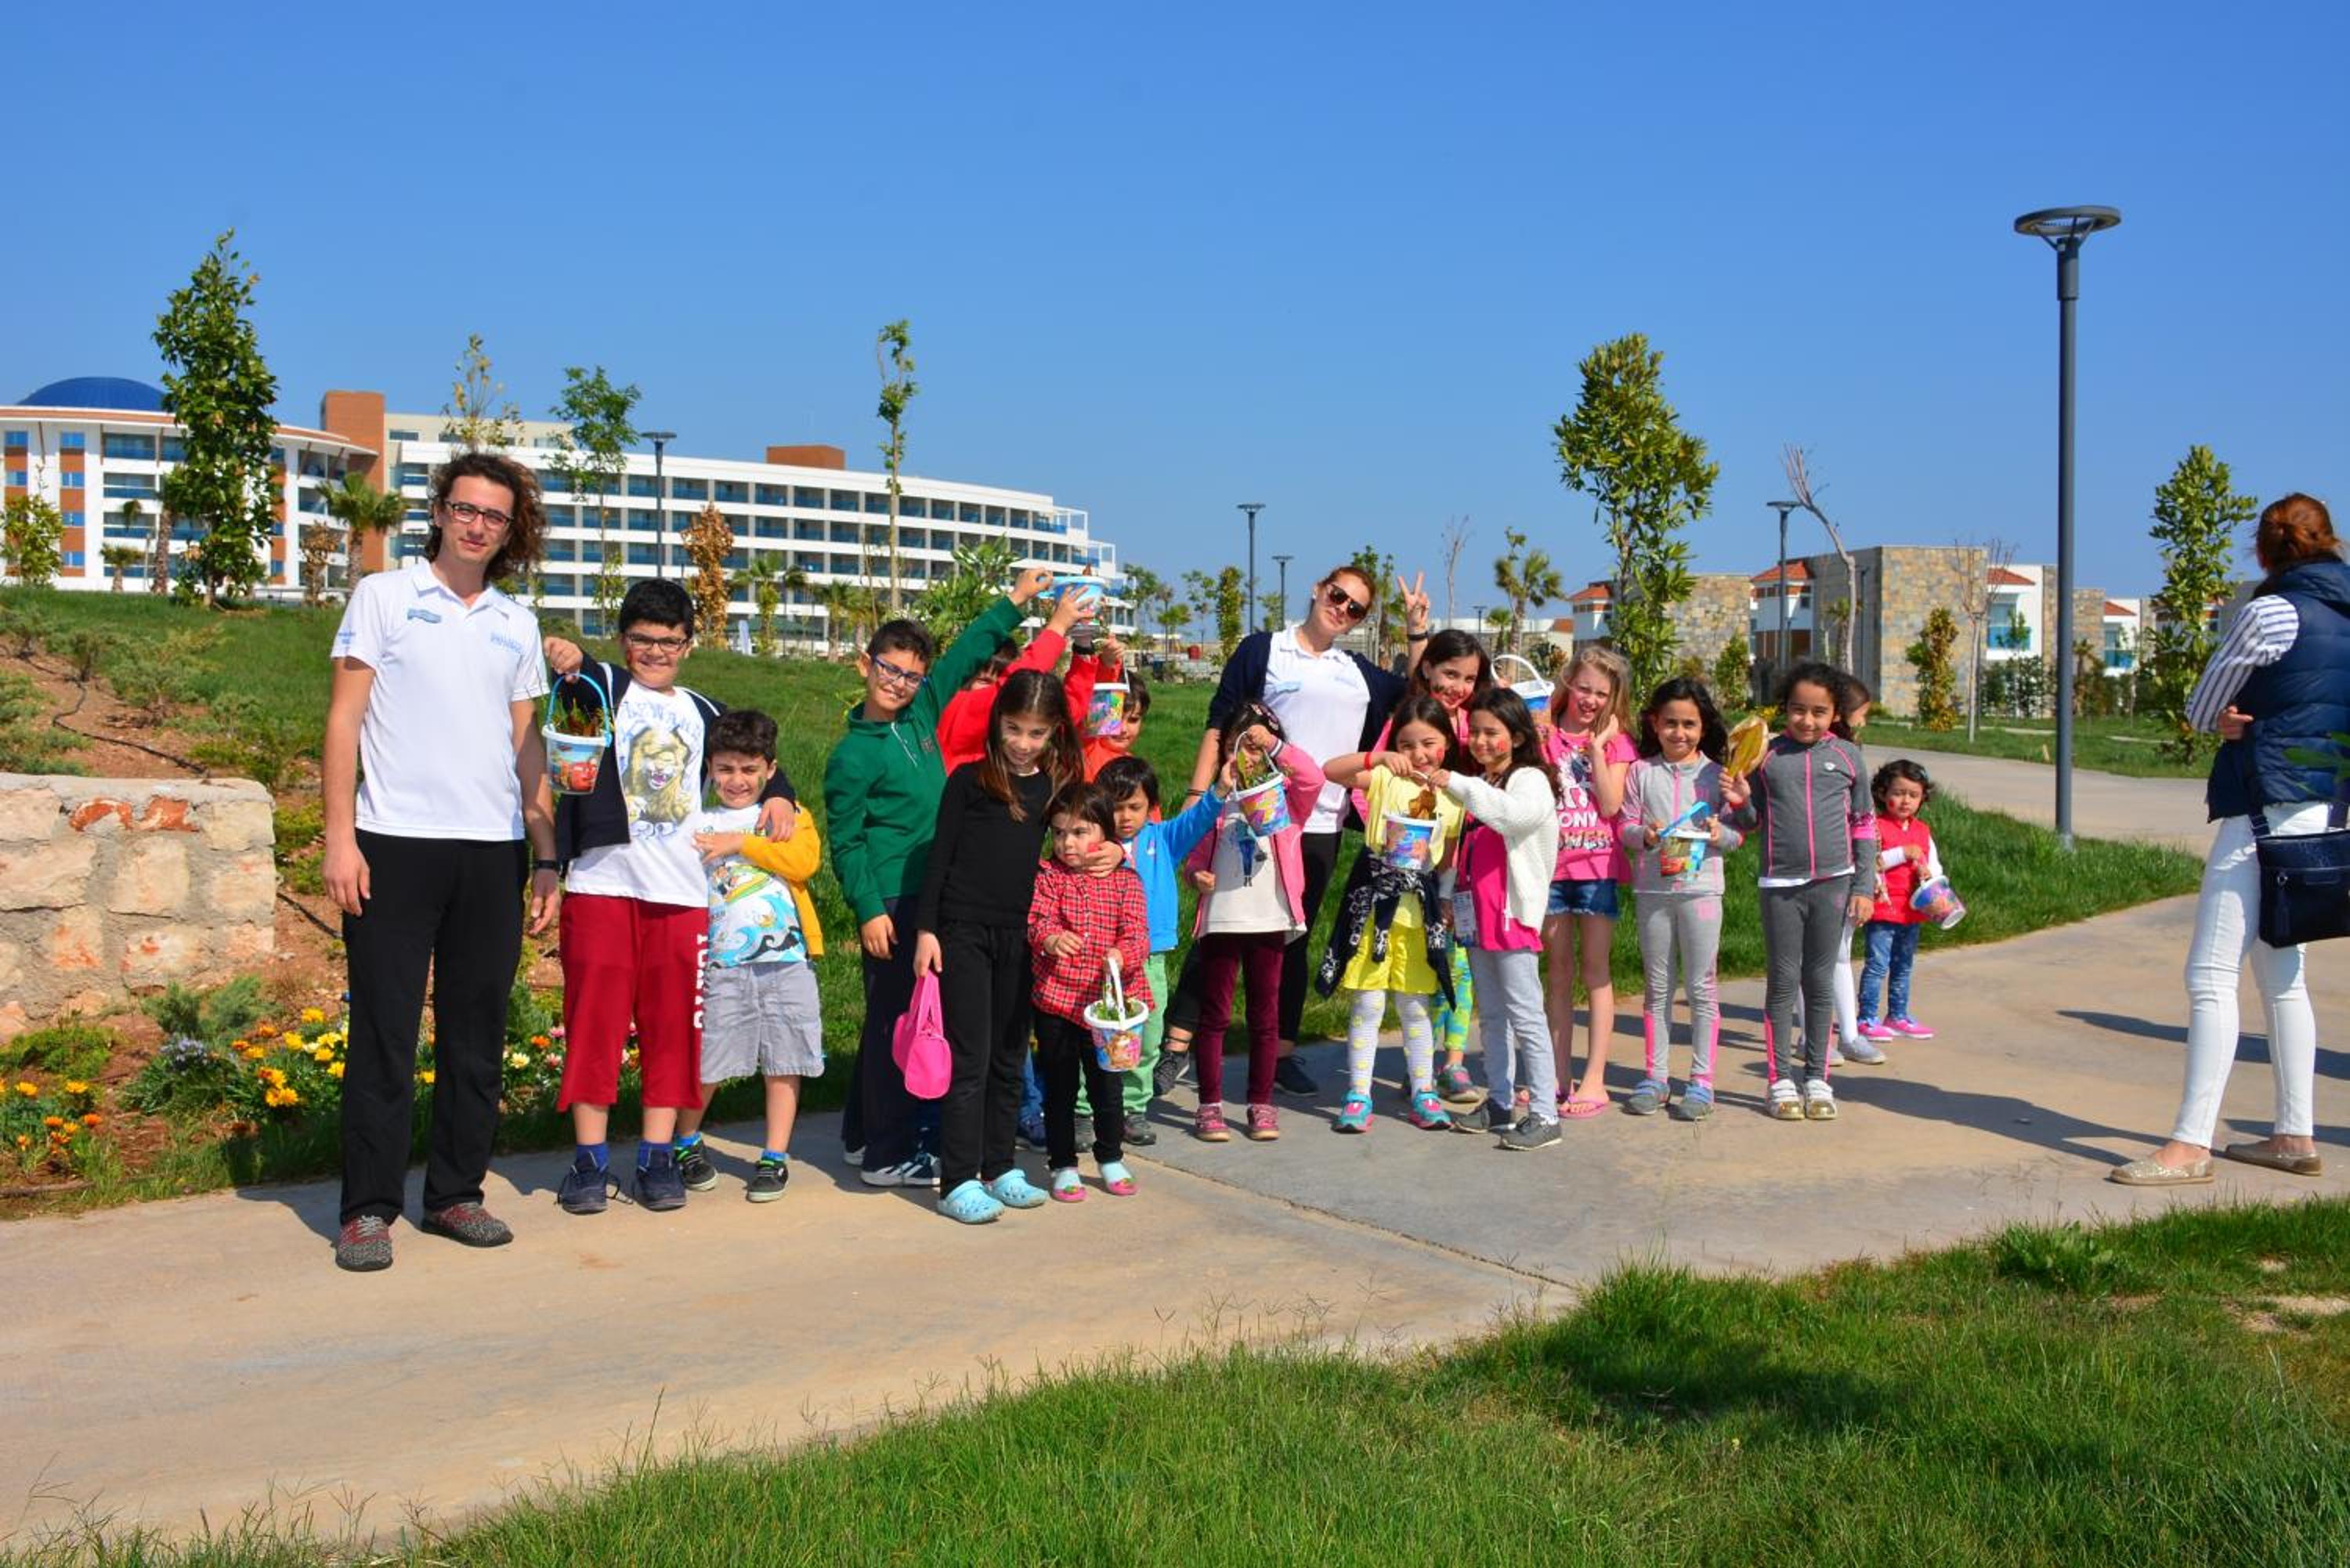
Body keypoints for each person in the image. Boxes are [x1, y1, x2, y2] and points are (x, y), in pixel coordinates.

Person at [323, 450, 557, 1272]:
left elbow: (528, 745)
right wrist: (340, 835)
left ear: (510, 529)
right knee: (384, 1033)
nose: (477, 525)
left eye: (494, 515)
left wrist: (546, 856)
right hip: (393, 843)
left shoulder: (516, 622)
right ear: (439, 511)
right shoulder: (384, 596)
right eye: (465, 508)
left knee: (476, 1036)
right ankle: (367, 1210)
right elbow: (344, 720)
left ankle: (456, 1194)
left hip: (492, 852)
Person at [2114, 493, 2348, 1187]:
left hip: (2261, 807)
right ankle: (2294, 1135)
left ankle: (2190, 1145)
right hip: (2326, 809)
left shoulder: (2270, 612)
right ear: (2329, 540)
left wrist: (2232, 721)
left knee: (2211, 974)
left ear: (2265, 550)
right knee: (2285, 975)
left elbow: (2201, 706)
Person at [540, 580, 795, 1216]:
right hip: (601, 885)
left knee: (674, 1030)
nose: (656, 652)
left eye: (670, 641)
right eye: (642, 639)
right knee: (594, 1025)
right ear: (621, 639)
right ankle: (590, 1161)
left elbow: (758, 755)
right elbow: (570, 669)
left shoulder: (704, 710)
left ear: (689, 645)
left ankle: (657, 1157)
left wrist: (782, 794)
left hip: (682, 896)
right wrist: (565, 654)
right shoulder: (600, 686)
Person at [825, 569, 1062, 1190]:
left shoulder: (920, 715)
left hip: (933, 889)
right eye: (888, 669)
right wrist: (868, 907)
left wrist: (1016, 601)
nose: (898, 683)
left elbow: (965, 654)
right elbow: (845, 842)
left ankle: (860, 1136)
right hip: (893, 899)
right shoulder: (852, 754)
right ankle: (887, 1154)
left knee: (896, 1018)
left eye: (911, 675)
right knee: (897, 1025)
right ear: (865, 665)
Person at [1188, 565, 1431, 1096]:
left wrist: (1417, 631)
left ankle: (1281, 1053)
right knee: (1221, 930)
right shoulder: (1264, 650)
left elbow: (1416, 694)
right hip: (1253, 814)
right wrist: (1198, 796)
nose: (1342, 609)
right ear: (1319, 589)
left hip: (1319, 821)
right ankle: (1179, 1042)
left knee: (1291, 938)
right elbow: (1219, 721)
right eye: (1337, 596)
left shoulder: (1355, 671)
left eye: (1355, 608)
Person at [911, 670, 1083, 1224]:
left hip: (1022, 937)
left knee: (1010, 1057)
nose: (1023, 743)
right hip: (963, 933)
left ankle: (999, 1166)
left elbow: (1081, 837)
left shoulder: (1053, 787)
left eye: (1036, 733)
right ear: (997, 722)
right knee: (971, 1060)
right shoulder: (968, 781)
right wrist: (927, 930)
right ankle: (957, 1181)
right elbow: (939, 858)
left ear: (1053, 732)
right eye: (1013, 728)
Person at [667, 709, 825, 1203]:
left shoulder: (789, 815)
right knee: (711, 1059)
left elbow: (804, 862)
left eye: (750, 769)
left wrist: (743, 843)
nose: (737, 780)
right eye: (726, 769)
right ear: (709, 769)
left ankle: (775, 1156)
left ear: (770, 770)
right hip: (722, 964)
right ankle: (685, 1141)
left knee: (786, 1058)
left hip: (789, 959)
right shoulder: (697, 821)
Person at [1730, 662, 1877, 1122]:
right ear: (1784, 708)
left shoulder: (1849, 757)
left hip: (1834, 885)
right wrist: (1740, 801)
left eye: (1819, 712)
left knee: (1820, 981)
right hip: (1780, 885)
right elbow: (1750, 822)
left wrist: (1863, 885)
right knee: (1782, 982)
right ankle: (1780, 1081)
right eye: (1797, 710)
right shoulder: (1767, 756)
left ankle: (1817, 1078)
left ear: (1836, 714)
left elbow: (1864, 824)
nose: (1807, 720)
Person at [1349, 628, 1492, 1101]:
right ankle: (1422, 1067)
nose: (1459, 687)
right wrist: (1385, 831)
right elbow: (1371, 781)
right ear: (1428, 669)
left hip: (1467, 856)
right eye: (1450, 673)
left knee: (1458, 961)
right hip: (1412, 867)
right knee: (1423, 963)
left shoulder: (1476, 721)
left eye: (1469, 678)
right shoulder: (1409, 722)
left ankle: (1453, 1063)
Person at [1317, 696, 1467, 1133]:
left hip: (1419, 916)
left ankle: (1424, 1092)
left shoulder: (1454, 796)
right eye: (1407, 744)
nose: (1418, 753)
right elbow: (1331, 771)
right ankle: (1358, 1094)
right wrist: (1378, 757)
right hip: (1373, 910)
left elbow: (1448, 861)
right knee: (1367, 1003)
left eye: (1428, 743)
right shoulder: (1385, 778)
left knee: (1415, 1007)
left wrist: (1446, 900)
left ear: (1446, 743)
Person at [1184, 707, 1327, 1143]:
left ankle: (1261, 1103)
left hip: (1270, 919)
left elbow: (1313, 778)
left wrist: (1275, 746)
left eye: (1255, 746)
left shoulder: (1286, 798)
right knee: (1215, 1016)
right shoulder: (1217, 802)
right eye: (1238, 745)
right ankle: (1209, 1105)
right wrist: (1195, 876)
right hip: (1223, 919)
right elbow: (1194, 853)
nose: (1246, 755)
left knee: (1266, 1016)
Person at [1439, 688, 1565, 1149]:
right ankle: (1498, 1102)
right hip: (1478, 916)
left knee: (1525, 1015)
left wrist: (1457, 782)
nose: (1481, 741)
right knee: (1492, 1016)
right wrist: (1448, 894)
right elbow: (1463, 847)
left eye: (1492, 732)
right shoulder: (1482, 783)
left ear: (1517, 736)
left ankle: (1546, 1114)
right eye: (1475, 732)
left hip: (1512, 917)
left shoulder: (1528, 780)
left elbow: (1513, 819)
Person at [1617, 677, 1747, 1120]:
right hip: (1653, 892)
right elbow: (1625, 826)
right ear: (1654, 723)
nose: (1679, 733)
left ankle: (1701, 1081)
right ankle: (1656, 1078)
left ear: (1702, 726)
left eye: (1689, 724)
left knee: (1701, 987)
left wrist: (1719, 832)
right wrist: (1644, 835)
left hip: (1702, 892)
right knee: (1657, 988)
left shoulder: (1717, 775)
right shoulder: (1640, 772)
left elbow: (1738, 835)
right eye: (1670, 723)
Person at [1027, 781, 1152, 1201]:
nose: (1068, 843)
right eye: (1060, 832)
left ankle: (1111, 1156)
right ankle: (1063, 1164)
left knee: (1108, 1088)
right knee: (1060, 1088)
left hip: (1109, 1010)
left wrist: (1122, 953)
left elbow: (1138, 934)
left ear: (1104, 832)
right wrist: (1049, 939)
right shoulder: (1048, 877)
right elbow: (1037, 919)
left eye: (1080, 832)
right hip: (1057, 1002)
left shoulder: (1126, 881)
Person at [1095, 754, 1224, 1146]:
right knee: (1099, 1036)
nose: (1124, 817)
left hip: (1150, 959)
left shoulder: (1163, 839)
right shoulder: (1092, 844)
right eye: (1115, 807)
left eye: (1134, 807)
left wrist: (1221, 788)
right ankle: (1086, 1109)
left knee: (1148, 1036)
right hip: (1102, 961)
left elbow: (1198, 819)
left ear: (1151, 807)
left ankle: (1134, 1107)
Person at [1540, 646, 1636, 1116]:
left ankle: (1595, 1079)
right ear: (1567, 684)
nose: (1590, 700)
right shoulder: (1543, 735)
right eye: (1583, 688)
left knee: (1596, 971)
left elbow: (1612, 804)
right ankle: (1558, 1077)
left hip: (1597, 869)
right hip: (1550, 869)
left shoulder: (1618, 744)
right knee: (1557, 972)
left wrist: (1597, 749)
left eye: (1601, 693)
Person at [934, 587, 1094, 774]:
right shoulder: (954, 708)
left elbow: (1068, 710)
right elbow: (1008, 685)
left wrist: (1083, 646)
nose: (1024, 745)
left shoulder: (1010, 716)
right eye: (984, 681)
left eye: (1036, 733)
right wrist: (1057, 626)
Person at [1823, 674, 1885, 1067]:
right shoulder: (1796, 754)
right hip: (1810, 873)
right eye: (1861, 714)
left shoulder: (1849, 755)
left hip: (1846, 868)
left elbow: (1864, 819)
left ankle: (1848, 1034)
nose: (1864, 722)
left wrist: (1866, 873)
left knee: (1840, 955)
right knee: (1812, 961)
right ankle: (1813, 1036)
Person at [1855, 759, 1940, 1046]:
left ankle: (1898, 1015)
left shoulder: (1923, 830)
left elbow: (1934, 863)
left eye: (1913, 795)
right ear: (1882, 793)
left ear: (1922, 798)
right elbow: (1871, 862)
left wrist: (1931, 876)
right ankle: (1866, 1018)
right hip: (1883, 908)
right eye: (1898, 793)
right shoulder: (1876, 827)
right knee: (1877, 965)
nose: (1906, 801)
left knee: (1903, 965)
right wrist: (1903, 853)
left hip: (1912, 910)